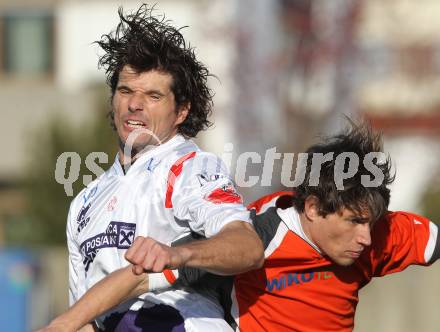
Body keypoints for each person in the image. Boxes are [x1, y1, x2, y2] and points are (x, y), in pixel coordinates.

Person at [39, 122, 439, 331]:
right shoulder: (251, 239)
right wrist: (65, 324)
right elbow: (138, 278)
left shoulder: (378, 235)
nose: (365, 238)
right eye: (353, 223)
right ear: (314, 208)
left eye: (371, 223)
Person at [47, 4, 264, 331]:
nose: (135, 104)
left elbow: (247, 247)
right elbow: (88, 322)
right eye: (125, 91)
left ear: (181, 112)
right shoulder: (83, 204)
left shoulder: (187, 167)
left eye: (153, 95)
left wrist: (178, 255)